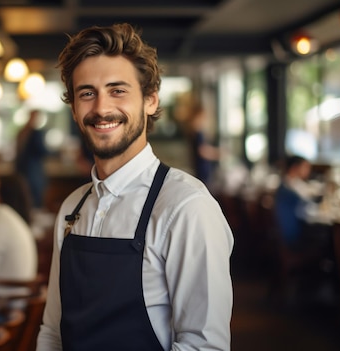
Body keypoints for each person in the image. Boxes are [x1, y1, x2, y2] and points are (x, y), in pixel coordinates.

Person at [36, 23, 234, 351]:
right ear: (73, 109)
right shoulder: (72, 208)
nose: (101, 108)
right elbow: (53, 332)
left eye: (118, 90)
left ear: (151, 101)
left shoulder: (186, 206)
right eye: (87, 93)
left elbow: (204, 346)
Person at [15, 109, 49, 209]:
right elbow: (42, 151)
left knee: (25, 199)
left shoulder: (22, 132)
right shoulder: (35, 133)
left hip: (22, 171)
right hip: (33, 171)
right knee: (36, 200)